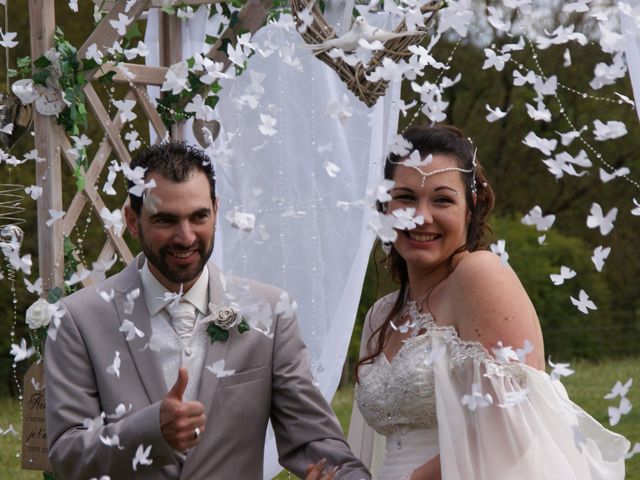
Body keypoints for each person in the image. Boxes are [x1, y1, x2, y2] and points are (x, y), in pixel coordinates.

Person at [45, 142, 370, 480]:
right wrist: (151, 431)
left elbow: (315, 440)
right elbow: (67, 455)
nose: (185, 237)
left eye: (199, 216)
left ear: (216, 210)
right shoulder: (78, 319)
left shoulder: (269, 312)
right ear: (132, 220)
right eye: (165, 220)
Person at [348, 124, 629, 479]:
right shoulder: (380, 315)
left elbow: (513, 421)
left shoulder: (478, 275)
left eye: (442, 199)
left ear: (471, 209)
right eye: (405, 197)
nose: (420, 216)